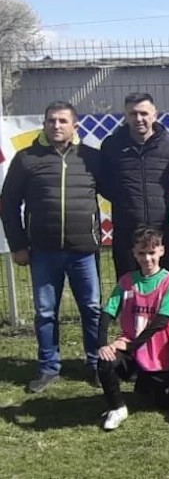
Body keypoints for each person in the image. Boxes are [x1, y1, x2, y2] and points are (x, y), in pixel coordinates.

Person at [0, 101, 103, 393]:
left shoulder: (91, 158)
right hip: (43, 251)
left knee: (92, 309)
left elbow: (118, 191)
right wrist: (18, 245)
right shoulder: (26, 159)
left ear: (74, 126)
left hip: (84, 250)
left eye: (62, 121)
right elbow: (8, 205)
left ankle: (97, 363)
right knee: (45, 312)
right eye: (51, 120)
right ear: (44, 124)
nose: (56, 125)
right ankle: (48, 367)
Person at [96, 226, 169, 431]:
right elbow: (107, 313)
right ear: (134, 254)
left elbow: (161, 321)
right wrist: (103, 344)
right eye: (141, 253)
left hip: (158, 351)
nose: (147, 258)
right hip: (131, 347)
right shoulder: (127, 281)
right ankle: (118, 408)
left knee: (163, 403)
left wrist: (133, 345)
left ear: (161, 251)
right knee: (105, 362)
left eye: (152, 252)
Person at [100, 93, 169, 278]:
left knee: (165, 286)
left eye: (144, 113)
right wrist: (123, 199)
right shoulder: (112, 145)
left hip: (162, 230)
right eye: (133, 114)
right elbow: (102, 182)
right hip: (127, 232)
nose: (138, 118)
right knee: (129, 287)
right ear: (125, 116)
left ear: (155, 114)